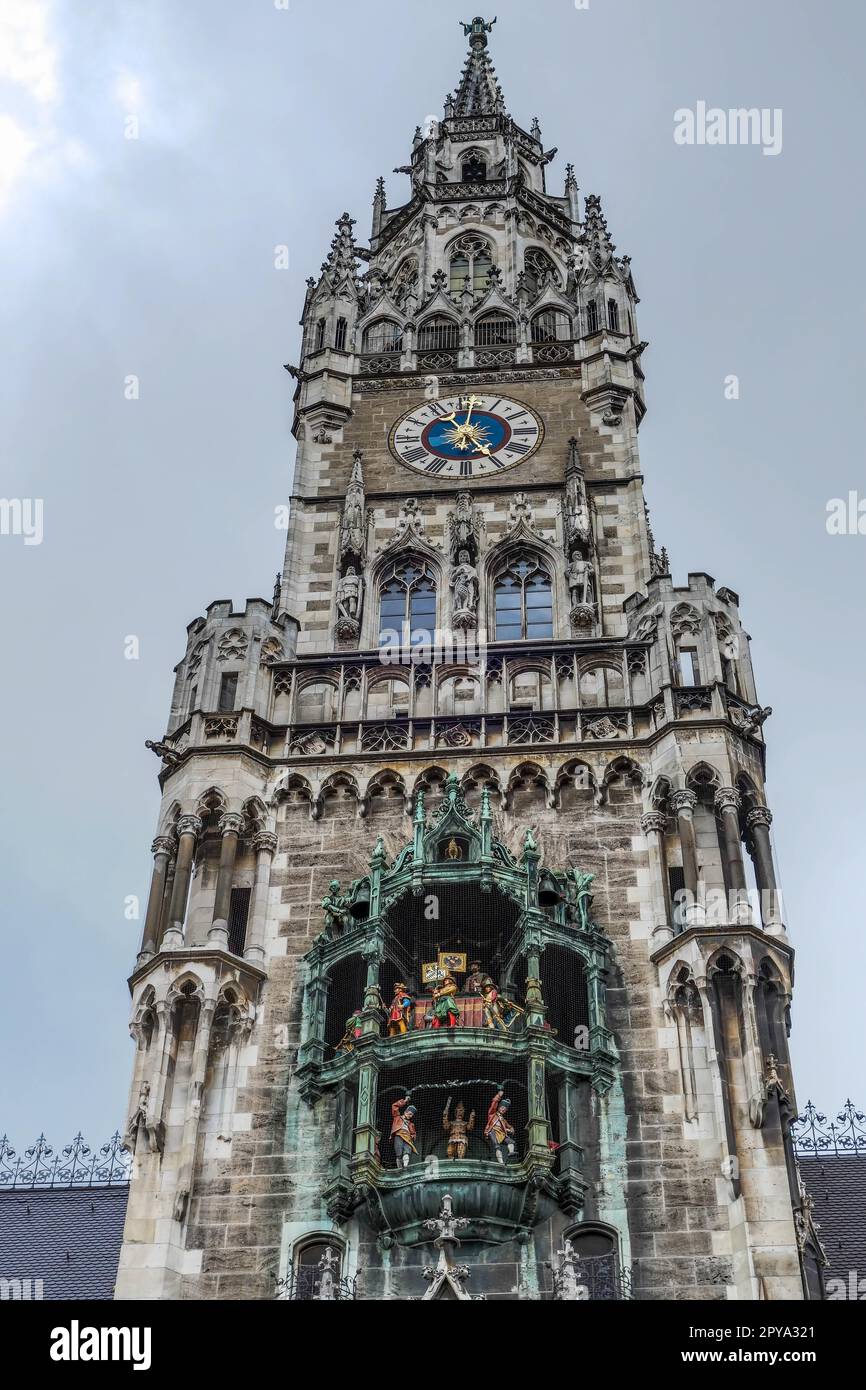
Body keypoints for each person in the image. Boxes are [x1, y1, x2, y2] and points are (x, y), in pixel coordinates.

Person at [484, 1090, 516, 1164]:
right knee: (497, 1146)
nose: (503, 1109)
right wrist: (498, 1096)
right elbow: (493, 1104)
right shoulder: (492, 1114)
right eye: (502, 1108)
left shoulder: (503, 1120)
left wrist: (511, 1129)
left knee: (510, 1142)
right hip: (492, 1131)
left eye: (505, 1109)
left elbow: (508, 1126)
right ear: (499, 1107)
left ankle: (511, 1152)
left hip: (501, 1133)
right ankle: (501, 1162)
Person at [391, 1096, 418, 1169]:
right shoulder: (397, 1117)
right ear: (405, 1112)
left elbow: (413, 1134)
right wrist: (405, 1101)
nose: (410, 1116)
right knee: (399, 1153)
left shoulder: (411, 1124)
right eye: (409, 1114)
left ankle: (405, 1166)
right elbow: (394, 1106)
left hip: (407, 1138)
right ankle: (399, 1168)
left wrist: (413, 1136)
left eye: (411, 1115)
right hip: (399, 1135)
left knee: (407, 1151)